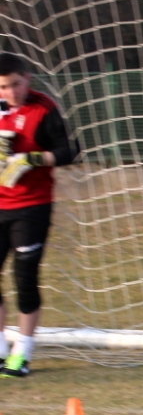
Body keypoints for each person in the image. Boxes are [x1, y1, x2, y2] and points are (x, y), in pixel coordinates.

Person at [0, 54, 78, 378]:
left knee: (24, 278)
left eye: (16, 84)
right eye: (4, 87)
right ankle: (1, 348)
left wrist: (30, 158)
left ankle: (23, 352)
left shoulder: (42, 108)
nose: (11, 92)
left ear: (27, 79)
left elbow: (69, 151)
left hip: (31, 206)